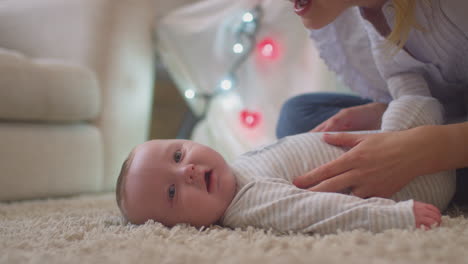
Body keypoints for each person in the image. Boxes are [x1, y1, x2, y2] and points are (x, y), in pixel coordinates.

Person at [278, 0, 468, 201]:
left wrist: (425, 148)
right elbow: (410, 88)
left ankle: (429, 180)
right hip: (449, 113)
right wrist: (386, 113)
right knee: (297, 114)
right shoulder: (369, 13)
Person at [115, 130, 454, 235]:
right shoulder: (250, 204)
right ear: (182, 228)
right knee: (415, 102)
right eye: (172, 191)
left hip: (391, 140)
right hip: (419, 178)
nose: (185, 171)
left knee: (416, 98)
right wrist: (397, 216)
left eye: (177, 156)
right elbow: (321, 212)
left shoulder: (238, 166)